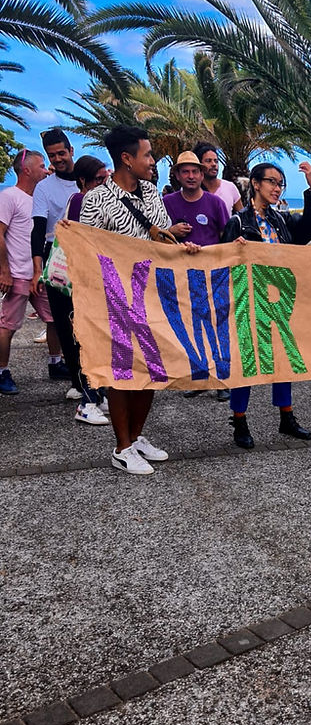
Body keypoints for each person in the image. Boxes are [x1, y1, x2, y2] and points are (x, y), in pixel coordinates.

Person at [79, 125, 201, 475]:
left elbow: (161, 238)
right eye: (147, 155)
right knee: (121, 371)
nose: (152, 161)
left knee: (152, 367)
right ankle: (121, 447)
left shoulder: (150, 192)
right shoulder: (96, 199)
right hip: (114, 296)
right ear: (126, 158)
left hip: (150, 293)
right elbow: (87, 251)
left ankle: (136, 437)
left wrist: (180, 247)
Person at [221, 160, 311, 448]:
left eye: (281, 184)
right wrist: (236, 251)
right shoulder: (238, 222)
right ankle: (239, 420)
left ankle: (286, 417)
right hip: (248, 300)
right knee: (248, 360)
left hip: (280, 299)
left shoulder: (282, 220)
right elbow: (222, 265)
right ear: (255, 183)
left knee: (283, 357)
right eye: (272, 182)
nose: (277, 188)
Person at [44, 155, 110, 423]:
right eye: (98, 179)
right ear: (83, 180)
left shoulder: (87, 200)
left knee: (91, 339)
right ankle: (88, 400)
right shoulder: (83, 201)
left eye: (106, 178)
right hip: (78, 282)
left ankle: (96, 395)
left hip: (85, 281)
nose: (104, 183)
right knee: (84, 339)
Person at [164, 150, 231, 402]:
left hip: (215, 277)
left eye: (195, 171)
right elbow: (157, 237)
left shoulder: (215, 203)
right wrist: (172, 232)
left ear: (202, 174)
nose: (191, 176)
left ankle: (223, 379)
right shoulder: (168, 202)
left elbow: (227, 238)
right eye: (185, 172)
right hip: (182, 277)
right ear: (178, 175)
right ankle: (199, 376)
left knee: (219, 327)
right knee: (192, 327)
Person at [0, 149, 58, 395]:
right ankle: (1, 371)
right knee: (8, 325)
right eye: (42, 166)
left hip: (40, 273)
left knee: (55, 317)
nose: (46, 170)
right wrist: (4, 271)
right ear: (27, 170)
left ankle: (56, 362)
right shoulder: (9, 196)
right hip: (17, 273)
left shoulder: (40, 197)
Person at [30, 128, 79, 381]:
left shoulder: (87, 180)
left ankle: (93, 377)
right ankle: (76, 379)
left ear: (71, 151)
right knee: (63, 320)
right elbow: (37, 231)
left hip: (86, 253)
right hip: (55, 254)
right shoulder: (44, 188)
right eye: (52, 156)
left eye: (61, 153)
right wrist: (38, 270)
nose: (58, 159)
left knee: (88, 317)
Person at [193, 142, 244, 214]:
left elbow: (243, 218)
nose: (214, 164)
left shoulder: (230, 187)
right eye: (208, 161)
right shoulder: (191, 190)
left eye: (216, 161)